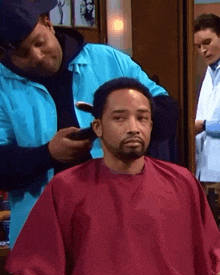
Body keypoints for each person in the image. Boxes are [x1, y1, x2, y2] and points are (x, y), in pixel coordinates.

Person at [5, 77, 220, 275]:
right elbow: (27, 268)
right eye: (119, 118)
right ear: (98, 127)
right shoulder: (67, 186)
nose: (133, 128)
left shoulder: (182, 182)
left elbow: (213, 257)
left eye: (142, 118)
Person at [0, 0, 178, 247]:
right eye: (22, 53)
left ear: (48, 23)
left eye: (40, 43)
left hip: (123, 223)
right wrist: (48, 154)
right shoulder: (3, 86)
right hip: (43, 235)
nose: (38, 57)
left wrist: (119, 132)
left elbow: (166, 109)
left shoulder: (107, 60)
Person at [194, 14, 220, 215]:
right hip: (205, 170)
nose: (203, 50)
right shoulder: (209, 74)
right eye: (198, 46)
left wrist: (203, 126)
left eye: (207, 42)